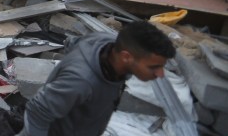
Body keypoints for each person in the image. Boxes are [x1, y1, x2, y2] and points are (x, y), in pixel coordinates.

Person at [22, 21, 176, 136]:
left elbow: (73, 43)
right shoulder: (81, 81)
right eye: (153, 67)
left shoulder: (106, 43)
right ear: (126, 57)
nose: (160, 74)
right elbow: (38, 110)